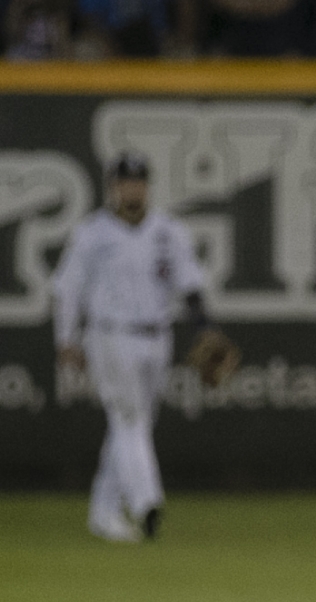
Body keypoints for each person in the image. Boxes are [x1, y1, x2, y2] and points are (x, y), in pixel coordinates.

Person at [52, 152, 218, 543]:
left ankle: (104, 511)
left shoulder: (168, 231)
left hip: (157, 336)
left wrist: (205, 327)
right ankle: (147, 502)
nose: (132, 189)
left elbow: (190, 283)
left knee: (135, 426)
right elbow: (68, 290)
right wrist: (66, 339)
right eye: (125, 182)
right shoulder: (92, 233)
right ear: (112, 187)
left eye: (138, 181)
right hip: (109, 335)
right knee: (129, 420)